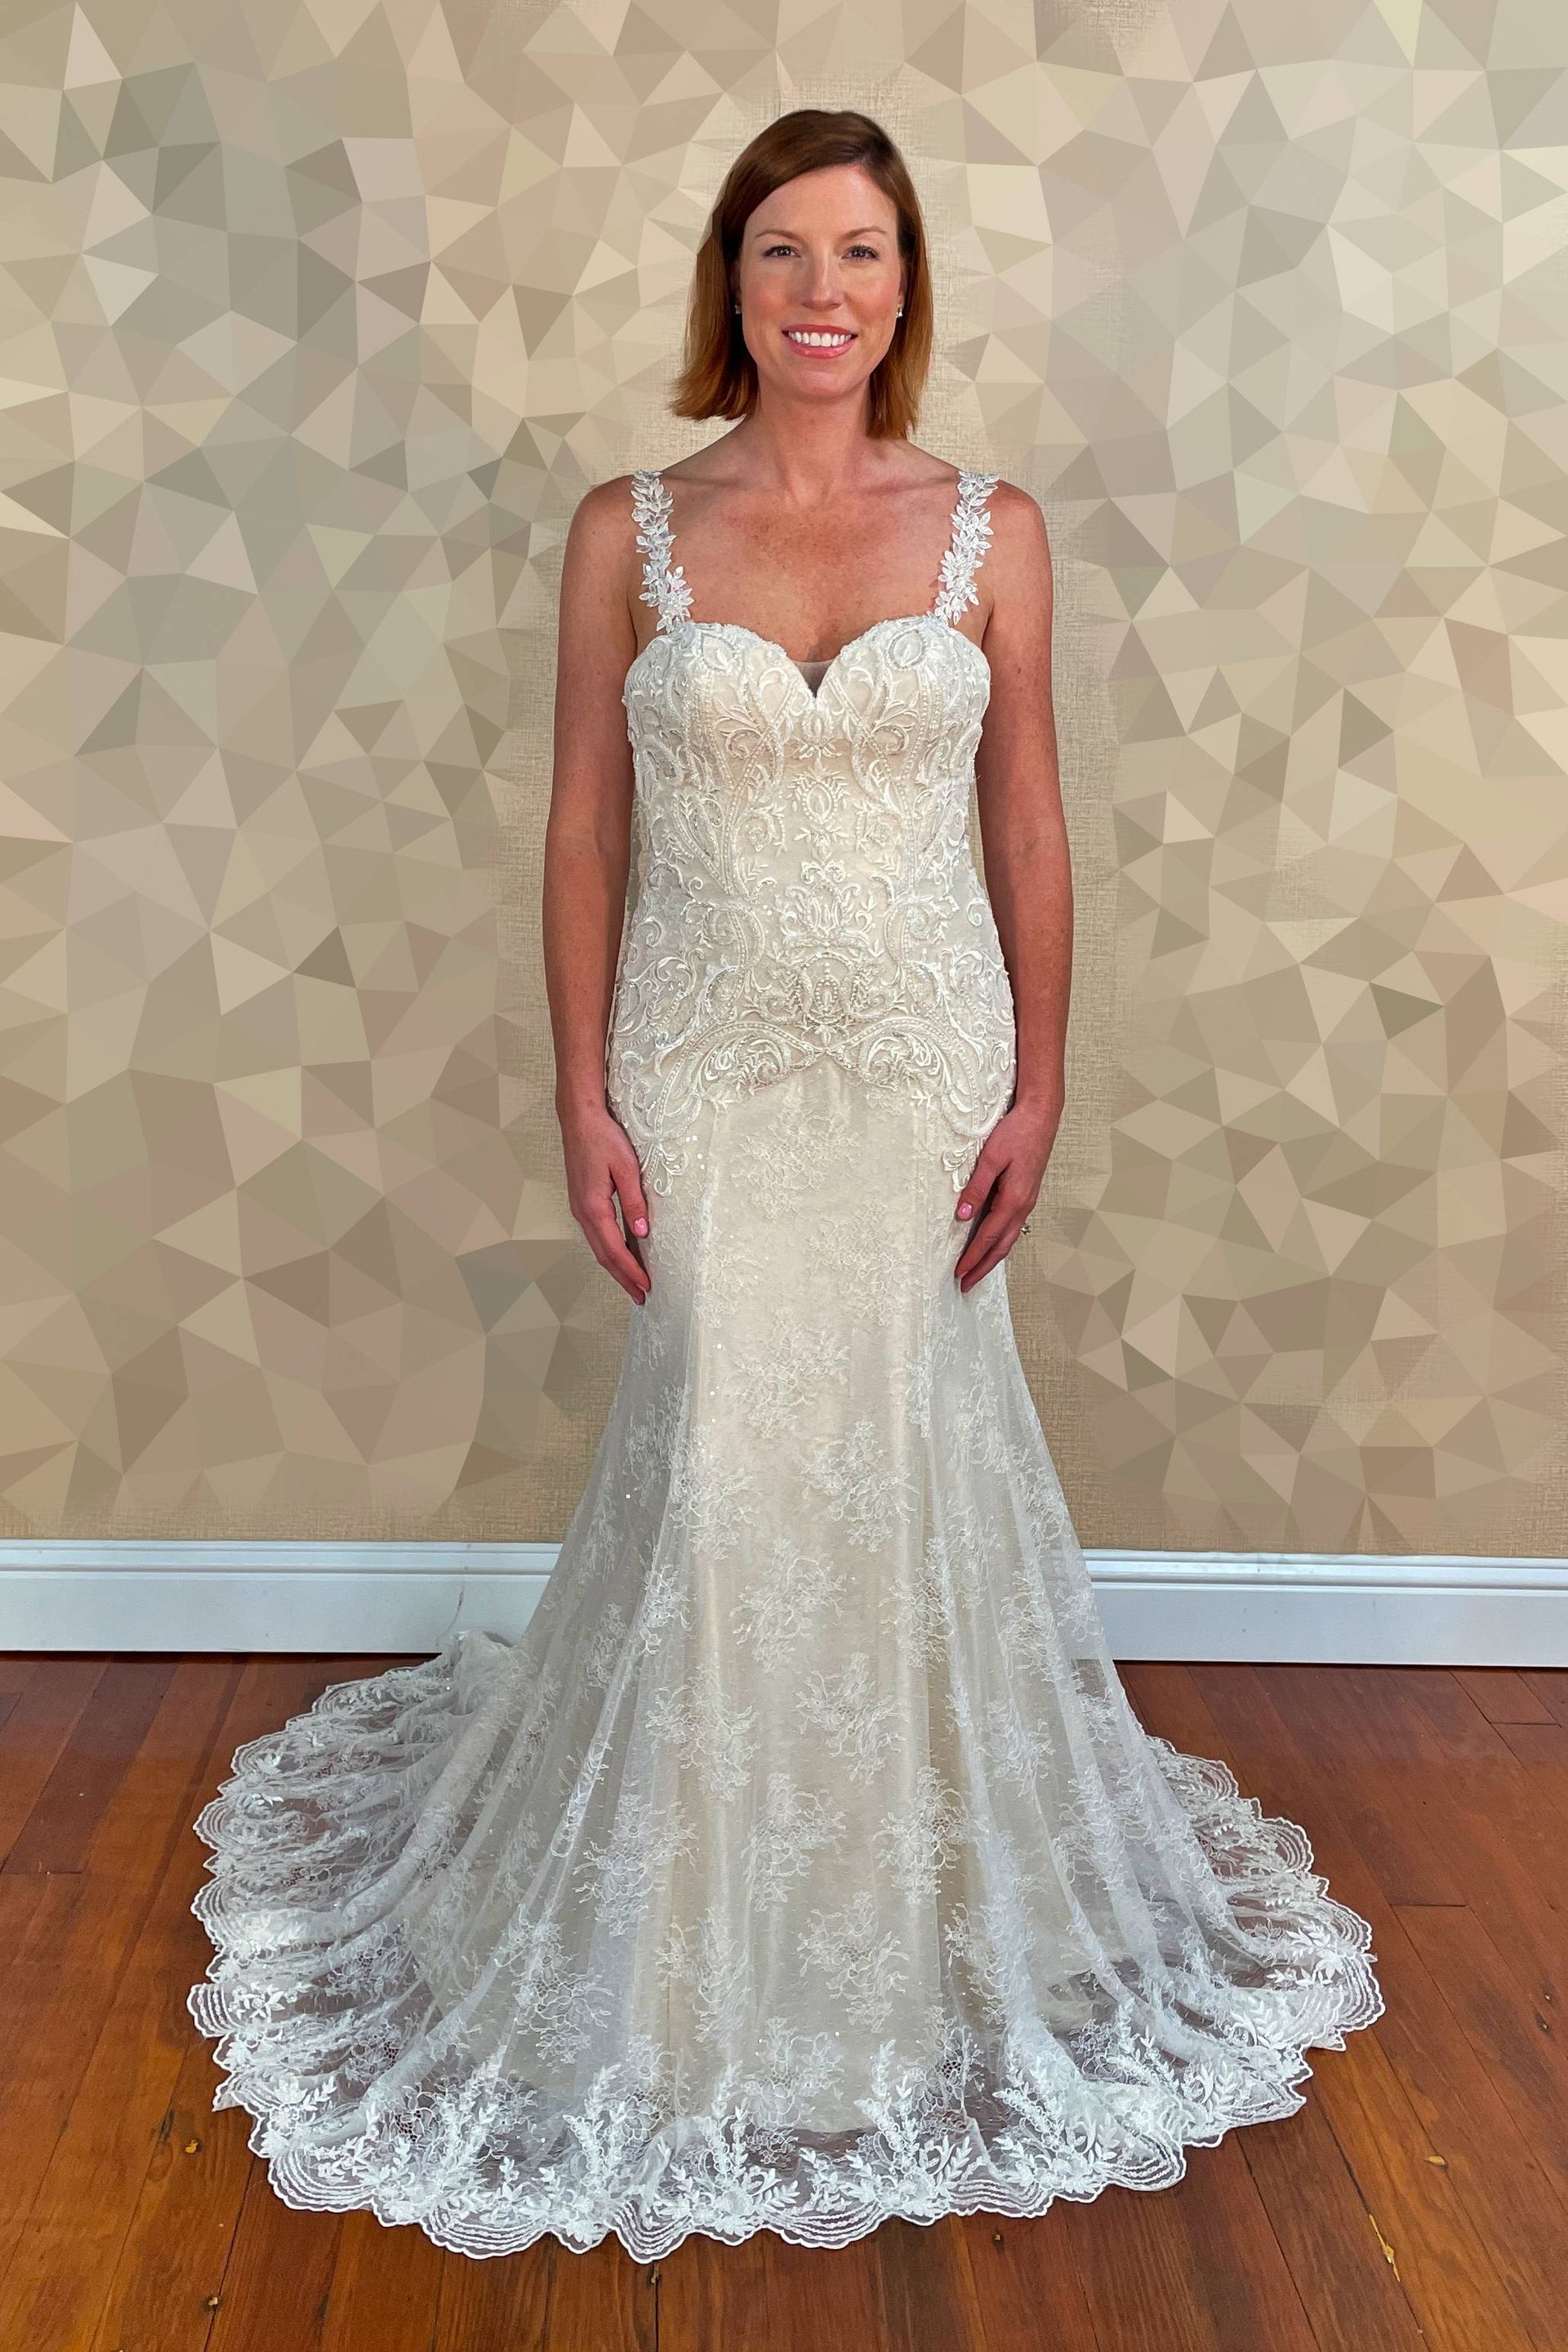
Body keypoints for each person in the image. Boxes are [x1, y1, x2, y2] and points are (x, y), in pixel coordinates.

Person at [186, 105, 1383, 2263]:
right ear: (726, 287)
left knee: (901, 1460)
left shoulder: (990, 531)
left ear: (907, 289)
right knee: (729, 1460)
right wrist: (581, 1095)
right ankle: (672, 1951)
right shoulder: (626, 530)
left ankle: (897, 1919)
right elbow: (580, 836)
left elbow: (1030, 827)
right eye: (776, 250)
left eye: (858, 250)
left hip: (926, 1069)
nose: (818, 288)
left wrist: (1042, 1082)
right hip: (711, 1060)